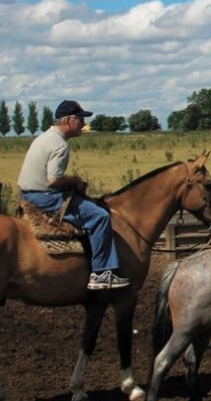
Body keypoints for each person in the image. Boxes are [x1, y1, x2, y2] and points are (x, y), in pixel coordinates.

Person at [18, 100, 130, 290]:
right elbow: (53, 180)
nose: (83, 123)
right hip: (45, 196)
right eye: (80, 119)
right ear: (68, 121)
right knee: (99, 216)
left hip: (27, 192)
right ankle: (101, 273)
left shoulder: (44, 137)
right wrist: (74, 182)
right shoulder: (60, 145)